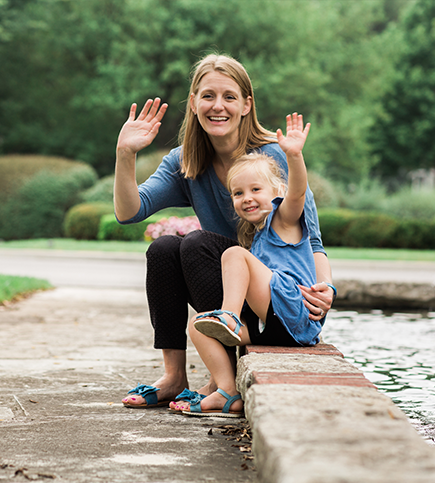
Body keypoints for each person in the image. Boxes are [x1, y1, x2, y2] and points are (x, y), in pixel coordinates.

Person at [114, 54, 335, 410]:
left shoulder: (273, 157)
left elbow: (312, 239)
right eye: (208, 96)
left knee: (197, 243)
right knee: (164, 250)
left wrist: (325, 290)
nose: (218, 106)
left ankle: (223, 372)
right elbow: (129, 211)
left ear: (247, 104)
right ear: (193, 103)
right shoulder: (185, 161)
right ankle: (174, 376)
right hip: (228, 282)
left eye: (229, 97)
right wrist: (125, 154)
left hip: (266, 295)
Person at [180, 113, 321, 416]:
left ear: (275, 192)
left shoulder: (283, 220)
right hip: (275, 326)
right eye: (238, 193)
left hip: (294, 309)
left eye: (256, 190)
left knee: (232, 255)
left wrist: (294, 156)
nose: (247, 198)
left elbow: (296, 192)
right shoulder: (256, 237)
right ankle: (227, 391)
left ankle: (228, 316)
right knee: (197, 327)